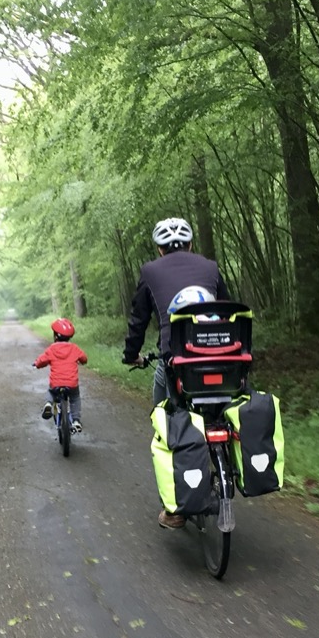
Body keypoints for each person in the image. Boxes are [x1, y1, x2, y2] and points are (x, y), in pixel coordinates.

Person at [121, 217, 231, 529]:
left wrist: (132, 356)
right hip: (222, 356)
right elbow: (226, 307)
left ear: (159, 249)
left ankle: (176, 509)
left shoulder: (150, 271)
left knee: (166, 420)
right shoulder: (209, 267)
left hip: (177, 360)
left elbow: (138, 320)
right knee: (220, 408)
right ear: (191, 244)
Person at [34, 318, 88, 433]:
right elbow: (84, 358)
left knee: (51, 392)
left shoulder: (52, 349)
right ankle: (76, 420)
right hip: (72, 384)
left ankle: (49, 404)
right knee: (75, 398)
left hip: (56, 383)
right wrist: (82, 361)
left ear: (55, 336)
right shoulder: (74, 348)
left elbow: (42, 360)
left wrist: (37, 364)